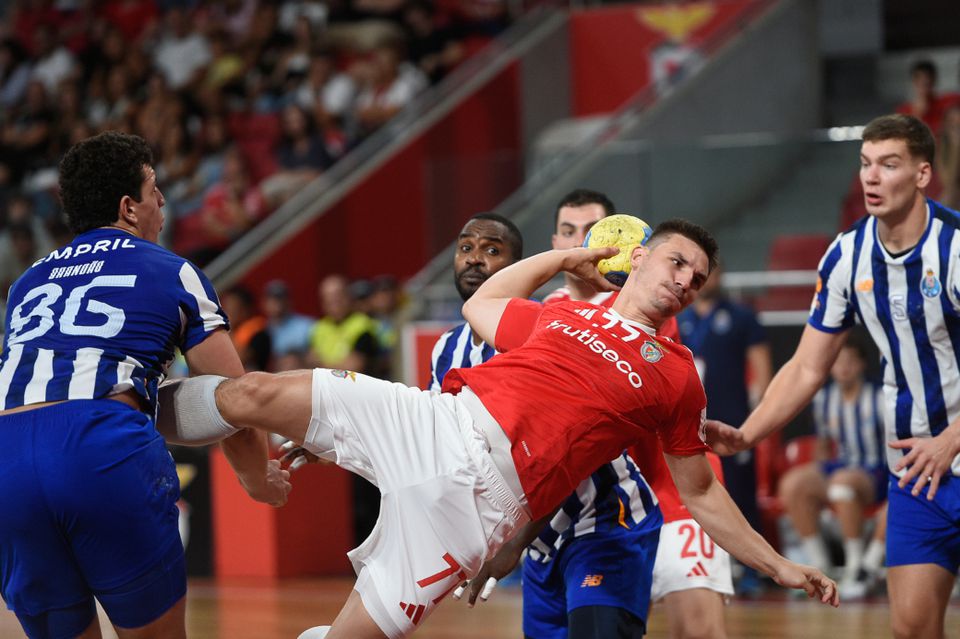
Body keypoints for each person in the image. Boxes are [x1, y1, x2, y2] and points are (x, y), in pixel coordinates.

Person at [161, 219, 838, 639]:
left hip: (479, 504)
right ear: (640, 258)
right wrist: (559, 261)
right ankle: (117, 408)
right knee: (253, 391)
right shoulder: (562, 316)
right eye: (677, 261)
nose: (687, 280)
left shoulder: (675, 372)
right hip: (434, 422)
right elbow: (484, 302)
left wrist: (779, 565)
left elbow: (702, 492)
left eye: (698, 276)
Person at [0, 132, 290, 639]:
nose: (163, 202)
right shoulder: (172, 271)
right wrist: (258, 479)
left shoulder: (26, 283)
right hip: (97, 445)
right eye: (154, 189)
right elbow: (234, 397)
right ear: (129, 207)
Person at [706, 114, 958, 639]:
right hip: (917, 474)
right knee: (911, 628)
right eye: (865, 164)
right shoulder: (847, 255)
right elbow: (806, 365)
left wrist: (951, 439)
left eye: (889, 164)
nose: (871, 176)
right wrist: (749, 432)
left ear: (921, 174)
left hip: (950, 447)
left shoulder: (954, 248)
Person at [537, 190, 735, 639]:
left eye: (597, 232)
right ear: (555, 242)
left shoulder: (650, 301)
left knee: (699, 631)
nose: (583, 243)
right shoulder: (546, 314)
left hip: (670, 490)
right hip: (595, 516)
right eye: (570, 233)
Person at [676, 261, 772, 595]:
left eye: (712, 273)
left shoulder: (742, 317)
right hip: (691, 424)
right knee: (696, 493)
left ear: (722, 276)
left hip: (733, 422)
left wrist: (758, 420)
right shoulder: (679, 317)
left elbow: (762, 372)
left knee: (741, 493)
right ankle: (705, 566)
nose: (704, 280)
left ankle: (752, 570)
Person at [777, 336, 887, 599]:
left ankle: (856, 568)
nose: (844, 368)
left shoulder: (880, 398)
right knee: (793, 484)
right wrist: (817, 477)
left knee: (841, 485)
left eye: (850, 361)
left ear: (861, 365)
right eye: (838, 362)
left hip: (877, 471)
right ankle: (819, 566)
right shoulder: (823, 399)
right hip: (840, 468)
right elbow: (823, 446)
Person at [428, 213, 522, 391]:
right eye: (465, 248)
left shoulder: (538, 331)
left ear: (517, 266)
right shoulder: (446, 346)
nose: (473, 259)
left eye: (492, 250)